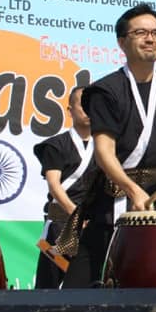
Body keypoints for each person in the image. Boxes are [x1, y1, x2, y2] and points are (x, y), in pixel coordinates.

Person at [64, 3, 156, 287]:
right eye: (141, 32)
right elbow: (103, 153)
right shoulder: (107, 90)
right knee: (87, 284)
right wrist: (133, 190)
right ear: (122, 42)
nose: (150, 39)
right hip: (117, 190)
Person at [32, 86, 93, 289]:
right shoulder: (56, 145)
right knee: (49, 282)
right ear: (70, 110)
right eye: (82, 105)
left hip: (91, 226)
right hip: (61, 223)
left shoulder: (106, 147)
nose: (88, 110)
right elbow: (53, 184)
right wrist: (75, 214)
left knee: (85, 284)